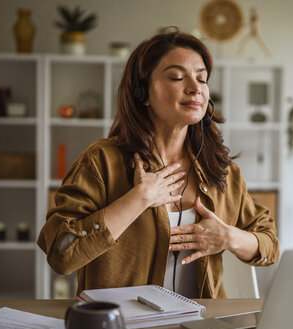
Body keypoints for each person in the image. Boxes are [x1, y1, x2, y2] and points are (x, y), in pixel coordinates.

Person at [37, 28, 279, 299]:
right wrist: (137, 199)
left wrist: (229, 237)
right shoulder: (101, 161)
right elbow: (61, 254)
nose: (195, 87)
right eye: (177, 77)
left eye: (202, 78)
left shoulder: (220, 170)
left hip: (201, 328)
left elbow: (269, 245)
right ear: (143, 92)